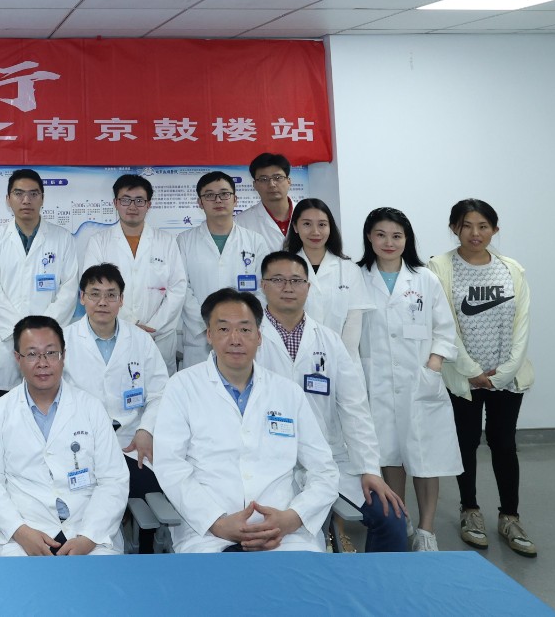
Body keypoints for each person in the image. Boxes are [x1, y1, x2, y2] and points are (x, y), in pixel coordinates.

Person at [154, 288, 338, 552]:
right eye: (223, 329)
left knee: (299, 576)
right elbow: (170, 467)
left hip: (285, 534)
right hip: (209, 534)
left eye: (244, 329)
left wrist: (292, 518)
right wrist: (217, 522)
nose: (235, 339)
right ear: (209, 335)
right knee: (215, 576)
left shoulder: (287, 392)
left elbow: (324, 470)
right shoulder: (181, 387)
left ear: (259, 336)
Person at [256, 251, 407, 553]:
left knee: (392, 518)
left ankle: (376, 584)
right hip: (266, 459)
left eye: (296, 280)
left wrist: (369, 470)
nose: (288, 287)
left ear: (308, 287)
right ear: (263, 286)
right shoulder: (249, 340)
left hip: (327, 457)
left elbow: (355, 408)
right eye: (278, 280)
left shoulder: (329, 341)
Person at [429, 199, 536, 556]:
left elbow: (522, 324)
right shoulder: (439, 268)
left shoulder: (511, 269)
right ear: (454, 228)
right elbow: (443, 323)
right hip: (463, 378)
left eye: (483, 226)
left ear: (495, 229)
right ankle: (470, 510)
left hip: (506, 378)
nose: (475, 233)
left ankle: (510, 516)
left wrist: (504, 373)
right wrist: (472, 371)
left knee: (504, 444)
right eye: (466, 225)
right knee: (466, 443)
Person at [0, 315, 129, 556]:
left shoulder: (91, 407)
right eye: (32, 354)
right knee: (19, 578)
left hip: (87, 531)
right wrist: (20, 532)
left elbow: (114, 480)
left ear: (63, 356)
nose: (42, 363)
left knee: (99, 578)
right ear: (17, 358)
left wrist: (88, 538)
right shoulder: (0, 410)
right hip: (25, 533)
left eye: (50, 353)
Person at [354, 206, 463, 552]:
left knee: (425, 458)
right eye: (381, 234)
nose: (389, 242)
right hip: (376, 382)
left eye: (397, 236)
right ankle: (398, 522)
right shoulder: (357, 278)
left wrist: (433, 365)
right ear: (369, 237)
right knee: (389, 454)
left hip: (419, 380)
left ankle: (426, 531)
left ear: (407, 239)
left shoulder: (424, 278)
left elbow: (445, 328)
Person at [61, 263, 166, 553]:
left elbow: (160, 392)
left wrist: (146, 430)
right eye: (95, 294)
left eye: (111, 295)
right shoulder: (64, 341)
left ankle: (144, 559)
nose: (103, 302)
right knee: (83, 501)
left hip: (131, 444)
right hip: (81, 446)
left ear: (121, 300)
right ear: (82, 298)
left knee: (151, 493)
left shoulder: (141, 341)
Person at [0, 169, 81, 398]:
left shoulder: (62, 238)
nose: (26, 200)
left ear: (42, 198)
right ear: (8, 199)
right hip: (6, 341)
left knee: (48, 403)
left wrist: (43, 330)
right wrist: (20, 331)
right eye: (19, 194)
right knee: (6, 408)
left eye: (33, 194)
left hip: (48, 344)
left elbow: (69, 288)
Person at [82, 174, 186, 372]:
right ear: (115, 203)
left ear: (148, 205)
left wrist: (153, 327)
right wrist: (130, 325)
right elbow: (93, 290)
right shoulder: (99, 242)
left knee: (159, 386)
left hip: (159, 337)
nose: (132, 206)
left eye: (139, 200)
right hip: (114, 333)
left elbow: (178, 289)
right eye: (125, 200)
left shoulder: (166, 241)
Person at [177, 170, 269, 371]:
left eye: (224, 194)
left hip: (242, 336)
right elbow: (182, 288)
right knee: (199, 386)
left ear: (235, 199)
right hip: (200, 336)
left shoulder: (255, 241)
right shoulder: (184, 241)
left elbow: (264, 289)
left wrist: (244, 325)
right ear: (200, 202)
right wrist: (207, 324)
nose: (218, 200)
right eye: (209, 195)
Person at [283, 197, 369, 353]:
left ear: (330, 227)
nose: (315, 232)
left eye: (322, 224)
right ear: (295, 226)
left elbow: (353, 324)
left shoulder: (349, 270)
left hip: (341, 357)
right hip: (295, 355)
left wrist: (339, 360)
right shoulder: (282, 269)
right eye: (307, 224)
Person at [234, 152, 295, 253]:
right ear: (255, 185)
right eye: (264, 179)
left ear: (288, 181)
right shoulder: (240, 223)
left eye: (278, 178)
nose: (272, 184)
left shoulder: (308, 214)